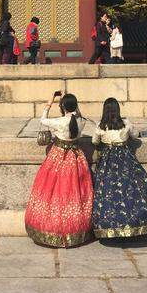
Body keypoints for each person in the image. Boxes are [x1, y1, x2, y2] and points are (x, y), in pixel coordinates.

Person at [25, 93, 92, 247]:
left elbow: (42, 120)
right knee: (75, 194)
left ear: (62, 107)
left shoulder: (60, 122)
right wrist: (69, 103)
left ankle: (53, 229)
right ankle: (76, 230)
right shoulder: (82, 121)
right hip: (76, 158)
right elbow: (77, 114)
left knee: (54, 194)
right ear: (76, 106)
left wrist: (50, 102)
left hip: (59, 157)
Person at [91, 98, 147, 238]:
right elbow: (135, 135)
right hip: (125, 157)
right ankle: (136, 222)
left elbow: (94, 141)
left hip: (108, 159)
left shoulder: (100, 125)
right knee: (131, 188)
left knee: (107, 191)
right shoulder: (126, 123)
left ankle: (108, 225)